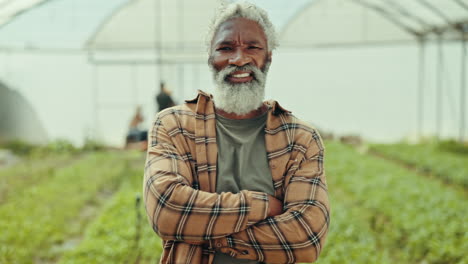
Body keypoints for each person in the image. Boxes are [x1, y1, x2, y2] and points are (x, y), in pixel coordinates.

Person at [143, 2, 330, 264]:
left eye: (252, 47)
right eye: (226, 48)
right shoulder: (175, 126)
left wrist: (201, 231)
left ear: (268, 58)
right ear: (211, 59)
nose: (239, 59)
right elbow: (166, 209)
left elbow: (306, 237)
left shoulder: (299, 139)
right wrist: (262, 206)